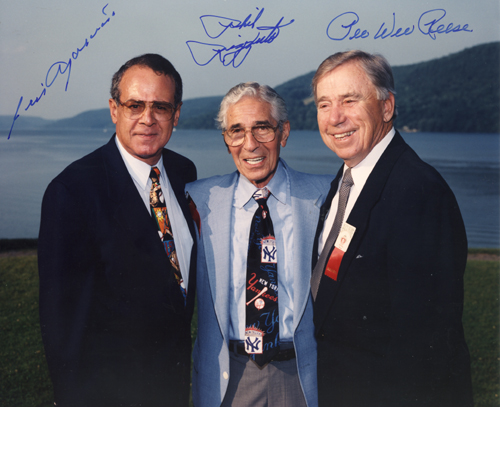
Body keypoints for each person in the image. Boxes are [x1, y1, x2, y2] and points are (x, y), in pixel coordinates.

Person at [310, 50, 473, 406]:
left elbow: (426, 346)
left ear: (387, 107)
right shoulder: (346, 181)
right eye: (324, 104)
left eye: (349, 100)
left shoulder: (417, 191)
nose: (335, 117)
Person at [38, 53, 198, 406]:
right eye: (134, 105)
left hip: (171, 390)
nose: (147, 119)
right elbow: (64, 326)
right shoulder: (73, 192)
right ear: (114, 110)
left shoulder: (184, 172)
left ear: (177, 114)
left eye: (160, 106)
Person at [186, 82, 332, 406]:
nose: (250, 144)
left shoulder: (324, 196)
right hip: (230, 379)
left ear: (284, 132)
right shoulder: (199, 200)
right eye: (236, 131)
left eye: (262, 128)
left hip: (302, 376)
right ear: (226, 140)